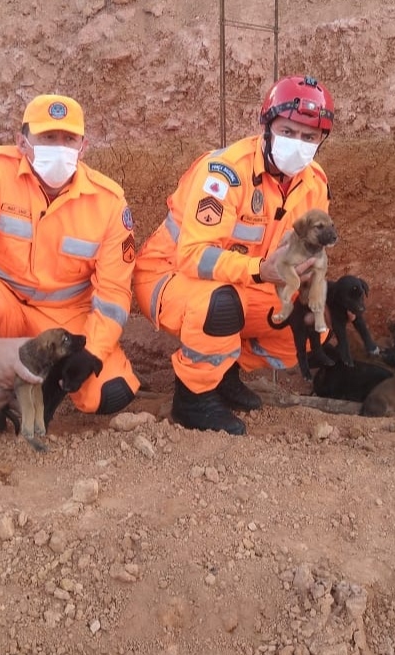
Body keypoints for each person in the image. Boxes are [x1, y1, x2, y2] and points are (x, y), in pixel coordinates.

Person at [0, 94, 140, 446]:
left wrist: (93, 352)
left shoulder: (109, 203)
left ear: (83, 147)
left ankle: (35, 389)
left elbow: (115, 295)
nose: (60, 148)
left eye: (69, 139)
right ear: (22, 142)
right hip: (1, 309)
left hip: (62, 320)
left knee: (110, 392)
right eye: (47, 138)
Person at [133, 75, 336, 435]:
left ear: (321, 140)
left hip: (246, 279)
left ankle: (224, 372)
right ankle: (193, 399)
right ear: (267, 125)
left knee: (310, 324)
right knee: (221, 306)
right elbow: (195, 257)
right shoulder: (224, 173)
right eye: (289, 131)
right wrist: (261, 270)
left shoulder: (314, 183)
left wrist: (307, 275)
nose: (298, 144)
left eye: (309, 137)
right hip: (169, 277)